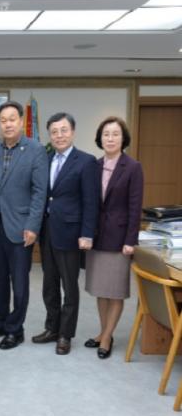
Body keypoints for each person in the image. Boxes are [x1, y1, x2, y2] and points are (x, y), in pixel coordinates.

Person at [0, 101, 49, 350]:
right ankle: (0, 322)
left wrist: (33, 226)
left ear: (21, 121)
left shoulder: (36, 150)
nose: (8, 124)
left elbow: (40, 192)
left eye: (12, 119)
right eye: (3, 120)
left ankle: (15, 329)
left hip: (22, 228)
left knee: (19, 283)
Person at [32, 112, 99, 355]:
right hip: (47, 231)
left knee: (69, 288)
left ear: (73, 132)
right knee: (49, 285)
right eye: (54, 132)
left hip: (71, 233)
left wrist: (87, 233)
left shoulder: (86, 161)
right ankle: (52, 328)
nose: (59, 135)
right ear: (49, 135)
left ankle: (65, 334)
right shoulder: (45, 158)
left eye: (64, 130)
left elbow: (91, 201)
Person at [84, 116, 143, 359]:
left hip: (119, 240)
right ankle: (102, 331)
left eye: (115, 134)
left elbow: (135, 207)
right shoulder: (94, 165)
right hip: (97, 237)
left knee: (115, 291)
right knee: (101, 289)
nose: (110, 138)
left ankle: (107, 337)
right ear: (100, 138)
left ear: (123, 138)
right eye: (106, 134)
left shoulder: (133, 167)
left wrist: (130, 240)